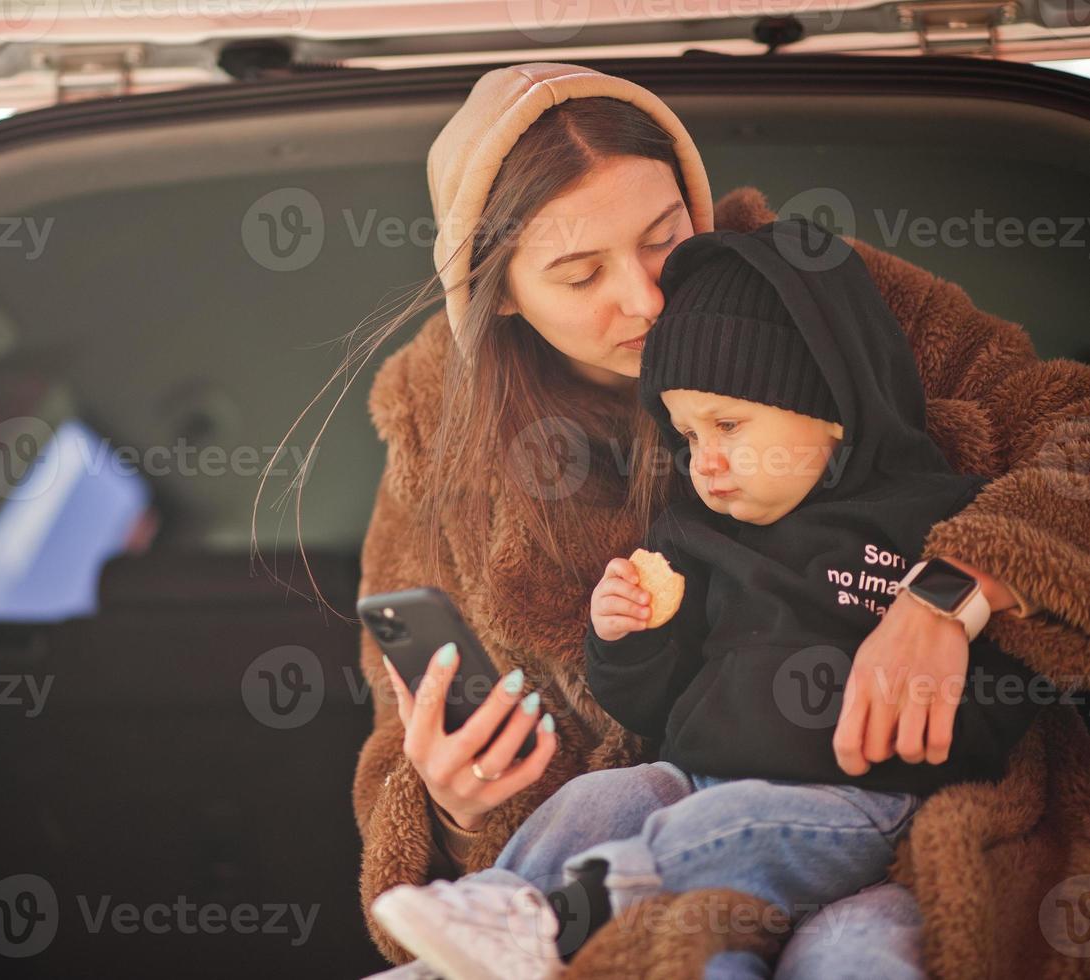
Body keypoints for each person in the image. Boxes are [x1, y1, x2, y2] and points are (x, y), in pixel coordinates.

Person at [278, 61, 1090, 978]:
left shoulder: (814, 296)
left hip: (891, 824)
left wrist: (950, 595)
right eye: (580, 275)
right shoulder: (439, 427)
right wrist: (453, 802)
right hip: (622, 869)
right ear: (498, 289)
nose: (647, 299)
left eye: (665, 239)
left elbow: (1072, 436)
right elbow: (402, 726)